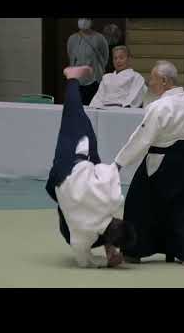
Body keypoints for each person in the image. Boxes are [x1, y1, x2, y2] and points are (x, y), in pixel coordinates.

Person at [114, 60, 184, 265]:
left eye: (153, 79)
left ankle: (133, 251)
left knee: (138, 204)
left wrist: (119, 163)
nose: (150, 83)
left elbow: (143, 138)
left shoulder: (159, 106)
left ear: (164, 81)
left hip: (159, 161)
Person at [45, 65, 136, 268]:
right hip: (58, 185)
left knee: (74, 114)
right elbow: (82, 260)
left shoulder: (113, 200)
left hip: (72, 162)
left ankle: (72, 78)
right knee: (73, 221)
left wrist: (117, 166)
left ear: (120, 220)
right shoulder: (84, 235)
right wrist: (98, 265)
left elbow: (109, 170)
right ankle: (109, 248)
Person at [67, 18, 109, 105]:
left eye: (86, 18)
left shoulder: (99, 38)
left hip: (94, 81)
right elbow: (71, 57)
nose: (83, 21)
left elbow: (105, 57)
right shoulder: (72, 39)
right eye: (81, 18)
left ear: (91, 21)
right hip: (77, 82)